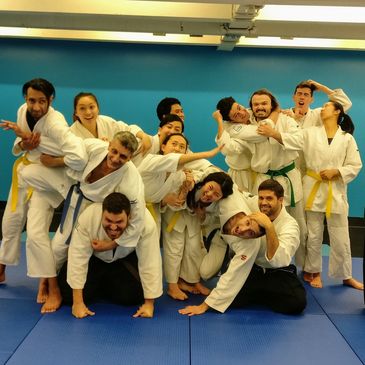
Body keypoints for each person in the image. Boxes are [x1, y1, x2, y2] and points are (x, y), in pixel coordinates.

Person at [20, 131, 145, 312]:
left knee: (79, 248)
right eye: (114, 151)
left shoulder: (131, 179)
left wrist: (113, 243)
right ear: (110, 145)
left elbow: (137, 218)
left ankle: (64, 286)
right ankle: (47, 284)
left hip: (96, 211)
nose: (116, 158)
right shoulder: (94, 146)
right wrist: (56, 161)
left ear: (130, 157)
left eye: (123, 156)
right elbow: (72, 152)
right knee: (57, 247)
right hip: (76, 195)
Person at [0, 79, 87, 302]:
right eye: (31, 100)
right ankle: (2, 268)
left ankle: (50, 286)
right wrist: (24, 143)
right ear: (25, 99)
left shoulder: (56, 124)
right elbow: (20, 147)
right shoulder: (23, 111)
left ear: (51, 100)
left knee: (36, 233)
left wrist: (56, 161)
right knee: (10, 221)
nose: (36, 107)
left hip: (47, 180)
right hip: (26, 171)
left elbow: (79, 157)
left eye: (41, 101)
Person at [264, 101, 363, 290]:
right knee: (313, 233)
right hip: (312, 186)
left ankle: (346, 275)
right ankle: (313, 271)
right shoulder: (310, 133)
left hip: (335, 189)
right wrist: (274, 133)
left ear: (337, 112)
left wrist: (337, 171)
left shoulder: (347, 138)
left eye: (326, 106)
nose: (322, 108)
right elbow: (292, 139)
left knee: (341, 234)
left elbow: (355, 164)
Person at [179, 179, 306, 316]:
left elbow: (280, 260)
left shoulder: (290, 225)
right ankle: (261, 293)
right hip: (252, 268)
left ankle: (262, 293)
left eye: (269, 198)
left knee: (296, 304)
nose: (263, 202)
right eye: (261, 197)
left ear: (281, 200)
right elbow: (234, 192)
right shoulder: (253, 202)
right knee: (230, 299)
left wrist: (269, 227)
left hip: (276, 272)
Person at [57, 192, 163, 318]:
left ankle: (102, 286)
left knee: (132, 297)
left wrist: (149, 304)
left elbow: (150, 261)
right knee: (67, 295)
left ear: (129, 217)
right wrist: (78, 303)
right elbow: (78, 257)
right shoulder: (88, 217)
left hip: (124, 261)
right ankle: (101, 286)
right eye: (108, 220)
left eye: (119, 222)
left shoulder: (145, 222)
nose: (113, 227)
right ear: (102, 214)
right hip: (94, 259)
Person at [284, 80, 352, 175]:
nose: (302, 97)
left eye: (306, 94)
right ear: (294, 97)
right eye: (299, 94)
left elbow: (344, 105)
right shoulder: (284, 116)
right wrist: (293, 119)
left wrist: (322, 88)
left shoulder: (318, 114)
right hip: (290, 168)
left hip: (312, 170)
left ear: (312, 99)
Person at [213, 96, 274, 192]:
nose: (242, 112)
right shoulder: (233, 129)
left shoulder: (250, 113)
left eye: (239, 107)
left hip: (257, 173)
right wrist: (220, 121)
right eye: (236, 115)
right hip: (240, 176)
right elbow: (264, 133)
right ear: (231, 121)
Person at [70, 92, 152, 156]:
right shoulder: (71, 133)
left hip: (116, 167)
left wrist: (143, 136)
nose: (88, 112)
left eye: (91, 107)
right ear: (76, 112)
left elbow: (128, 130)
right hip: (90, 173)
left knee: (141, 143)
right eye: (82, 108)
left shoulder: (106, 121)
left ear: (98, 108)